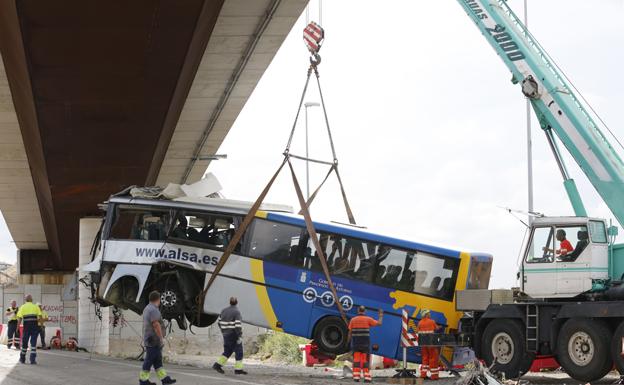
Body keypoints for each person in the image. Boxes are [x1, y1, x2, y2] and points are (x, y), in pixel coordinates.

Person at [140, 291, 176, 385]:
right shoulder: (153, 309)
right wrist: (161, 338)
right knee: (149, 361)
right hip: (153, 340)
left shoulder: (147, 308)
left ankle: (165, 379)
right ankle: (143, 381)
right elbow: (156, 324)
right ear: (158, 299)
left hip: (151, 339)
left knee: (157, 362)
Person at [347, 306, 383, 382]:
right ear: (364, 311)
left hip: (356, 344)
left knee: (356, 360)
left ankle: (356, 377)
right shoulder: (368, 319)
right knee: (365, 361)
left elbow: (349, 333)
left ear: (358, 311)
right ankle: (367, 378)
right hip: (365, 344)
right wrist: (380, 315)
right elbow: (379, 323)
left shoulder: (353, 320)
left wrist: (348, 342)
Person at [213, 297, 247, 375]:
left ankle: (217, 365)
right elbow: (238, 325)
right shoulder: (236, 312)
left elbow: (219, 322)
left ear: (230, 302)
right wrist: (239, 335)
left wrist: (223, 331)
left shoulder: (223, 310)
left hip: (226, 334)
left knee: (227, 351)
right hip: (233, 334)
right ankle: (238, 370)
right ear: (237, 302)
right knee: (239, 352)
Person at [16, 294, 41, 364]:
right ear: (31, 299)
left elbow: (20, 318)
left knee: (24, 343)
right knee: (33, 344)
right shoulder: (36, 307)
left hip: (26, 327)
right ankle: (32, 360)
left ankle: (22, 359)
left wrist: (17, 327)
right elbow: (40, 317)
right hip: (34, 327)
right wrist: (41, 326)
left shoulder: (22, 307)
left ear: (25, 300)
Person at [417, 309, 440, 380]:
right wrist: (440, 327)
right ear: (426, 314)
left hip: (423, 344)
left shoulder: (420, 323)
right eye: (429, 313)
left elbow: (418, 331)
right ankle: (434, 376)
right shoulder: (431, 321)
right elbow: (436, 328)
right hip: (431, 344)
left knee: (425, 359)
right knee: (433, 358)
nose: (430, 314)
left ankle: (423, 375)